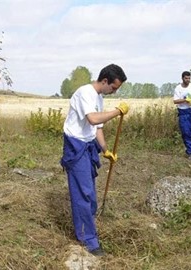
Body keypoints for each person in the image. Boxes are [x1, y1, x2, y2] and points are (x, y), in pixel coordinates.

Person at [60, 64, 129, 256]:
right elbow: (93, 119)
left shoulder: (98, 97)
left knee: (90, 192)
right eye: (113, 88)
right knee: (84, 193)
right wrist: (118, 112)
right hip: (76, 146)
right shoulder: (85, 93)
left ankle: (87, 225)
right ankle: (88, 240)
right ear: (105, 81)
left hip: (89, 145)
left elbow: (97, 128)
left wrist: (105, 150)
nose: (114, 92)